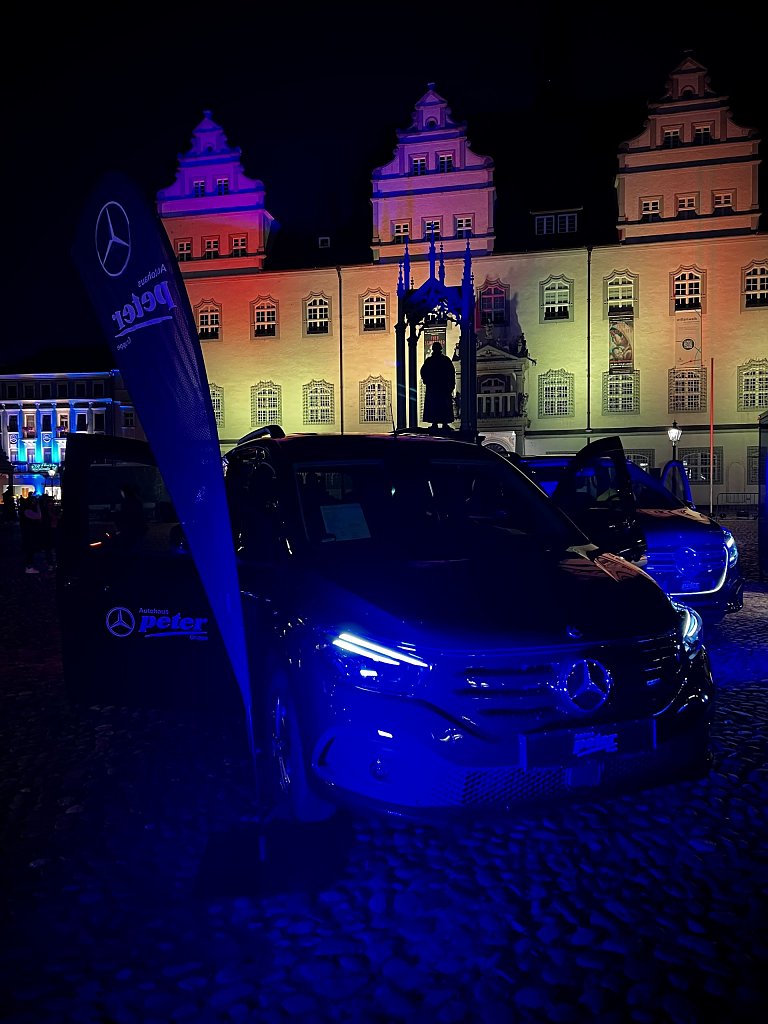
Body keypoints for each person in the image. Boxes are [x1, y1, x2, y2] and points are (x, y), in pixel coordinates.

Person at [420, 341, 456, 434]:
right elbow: (451, 373)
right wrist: (451, 385)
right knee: (443, 406)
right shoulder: (445, 360)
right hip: (443, 388)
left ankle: (435, 423)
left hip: (434, 388)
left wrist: (427, 380)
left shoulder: (430, 361)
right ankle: (443, 423)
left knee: (435, 406)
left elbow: (423, 371)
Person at [19, 493, 44, 574]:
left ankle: (28, 566)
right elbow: (38, 516)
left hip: (28, 532)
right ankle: (29, 567)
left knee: (29, 550)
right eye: (33, 501)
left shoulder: (26, 510)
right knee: (29, 550)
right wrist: (38, 506)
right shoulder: (27, 511)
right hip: (29, 533)